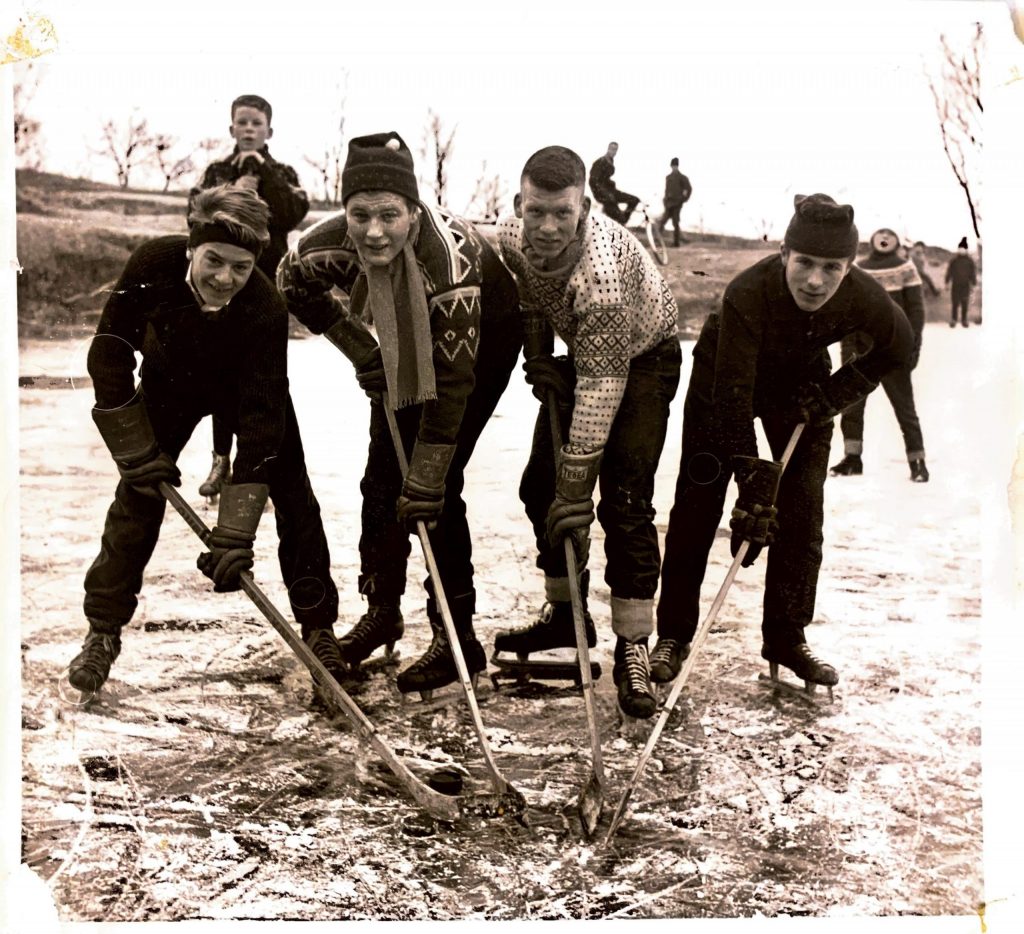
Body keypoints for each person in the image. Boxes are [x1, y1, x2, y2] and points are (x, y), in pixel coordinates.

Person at [67, 185, 344, 697]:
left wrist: (235, 533)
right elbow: (108, 352)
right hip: (170, 382)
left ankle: (318, 627)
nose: (225, 278)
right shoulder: (153, 263)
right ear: (192, 247)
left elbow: (262, 419)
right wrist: (133, 450)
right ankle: (102, 630)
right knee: (136, 497)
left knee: (294, 496)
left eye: (241, 267)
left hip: (245, 391)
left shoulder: (265, 306)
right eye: (214, 260)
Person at [277, 131, 522, 697]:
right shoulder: (326, 244)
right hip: (395, 333)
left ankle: (457, 638)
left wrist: (429, 473)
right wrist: (361, 350)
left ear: (413, 211)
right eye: (359, 215)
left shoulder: (449, 261)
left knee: (433, 487)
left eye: (389, 215)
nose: (373, 231)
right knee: (381, 479)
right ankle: (382, 610)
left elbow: (453, 382)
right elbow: (292, 284)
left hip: (482, 341)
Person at [650, 194, 913, 692]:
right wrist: (753, 486)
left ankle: (787, 637)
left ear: (849, 267)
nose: (815, 280)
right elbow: (732, 401)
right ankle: (673, 635)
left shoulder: (863, 295)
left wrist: (837, 392)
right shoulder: (748, 292)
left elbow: (900, 349)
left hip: (802, 388)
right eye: (805, 263)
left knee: (803, 510)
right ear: (784, 254)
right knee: (698, 503)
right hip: (722, 381)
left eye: (831, 268)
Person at [494, 145, 682, 720]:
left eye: (563, 214)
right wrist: (539, 354)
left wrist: (576, 489)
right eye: (536, 211)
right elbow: (529, 288)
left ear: (585, 209)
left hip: (647, 358)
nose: (547, 227)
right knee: (540, 489)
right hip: (587, 354)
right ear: (520, 205)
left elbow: (604, 386)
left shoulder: (601, 273)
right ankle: (565, 616)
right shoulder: (510, 235)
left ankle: (633, 644)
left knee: (623, 498)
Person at [188, 94, 310, 501]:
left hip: (267, 285)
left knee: (265, 376)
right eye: (242, 122)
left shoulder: (283, 172)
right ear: (231, 129)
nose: (248, 129)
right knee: (223, 371)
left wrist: (264, 175)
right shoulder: (216, 171)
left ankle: (259, 463)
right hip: (222, 288)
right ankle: (220, 459)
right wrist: (232, 188)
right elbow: (194, 216)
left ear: (269, 131)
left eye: (256, 123)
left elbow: (293, 212)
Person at [830, 227, 929, 482]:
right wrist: (847, 350)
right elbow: (846, 311)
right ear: (872, 240)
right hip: (860, 349)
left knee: (905, 407)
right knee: (851, 406)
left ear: (896, 241)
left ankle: (917, 462)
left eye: (889, 235)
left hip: (894, 348)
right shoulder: (857, 269)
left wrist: (913, 347)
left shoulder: (906, 268)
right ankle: (852, 458)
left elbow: (916, 311)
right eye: (880, 234)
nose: (884, 238)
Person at [588, 141, 640, 225]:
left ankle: (622, 219)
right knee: (620, 218)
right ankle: (619, 219)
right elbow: (593, 181)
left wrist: (610, 183)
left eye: (615, 150)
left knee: (634, 200)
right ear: (608, 149)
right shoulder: (600, 162)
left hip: (612, 192)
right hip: (604, 196)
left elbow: (605, 178)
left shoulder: (610, 161)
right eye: (612, 149)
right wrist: (605, 194)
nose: (613, 152)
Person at [657, 157, 692, 247]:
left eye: (675, 166)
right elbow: (666, 190)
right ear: (671, 166)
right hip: (668, 203)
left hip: (677, 203)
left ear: (677, 166)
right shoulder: (668, 177)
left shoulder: (683, 178)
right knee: (662, 222)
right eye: (673, 166)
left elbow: (688, 189)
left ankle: (676, 243)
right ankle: (657, 241)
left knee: (675, 222)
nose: (674, 167)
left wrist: (683, 199)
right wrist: (665, 200)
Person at [945, 237, 978, 328]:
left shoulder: (970, 261)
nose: (961, 250)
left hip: (965, 285)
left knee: (965, 303)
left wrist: (974, 283)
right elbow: (949, 272)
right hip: (955, 285)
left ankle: (964, 320)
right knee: (955, 303)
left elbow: (972, 273)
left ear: (966, 250)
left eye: (963, 248)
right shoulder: (954, 261)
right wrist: (947, 282)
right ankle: (953, 319)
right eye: (960, 248)